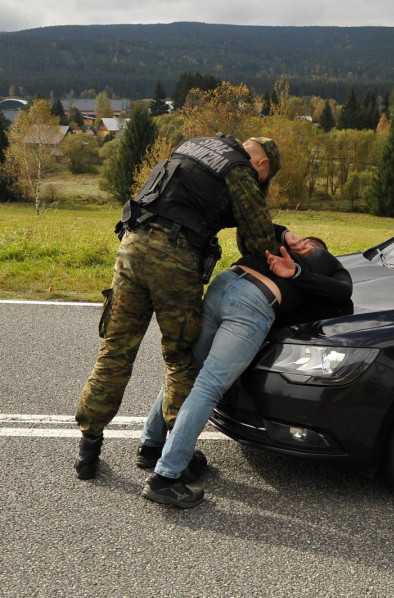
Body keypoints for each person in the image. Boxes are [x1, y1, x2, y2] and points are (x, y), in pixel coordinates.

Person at [74, 134, 283, 481]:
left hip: (131, 245)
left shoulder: (196, 145)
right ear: (263, 164)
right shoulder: (240, 170)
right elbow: (258, 237)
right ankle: (176, 456)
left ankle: (87, 449)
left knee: (115, 350)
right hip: (174, 257)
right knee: (181, 357)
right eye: (265, 178)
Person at [137, 226, 352, 508]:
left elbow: (248, 227)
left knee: (187, 371)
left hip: (225, 282)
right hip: (254, 302)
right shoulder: (324, 258)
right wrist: (299, 274)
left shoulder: (276, 244)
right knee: (209, 386)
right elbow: (345, 290)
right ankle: (165, 478)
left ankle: (150, 445)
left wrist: (284, 234)